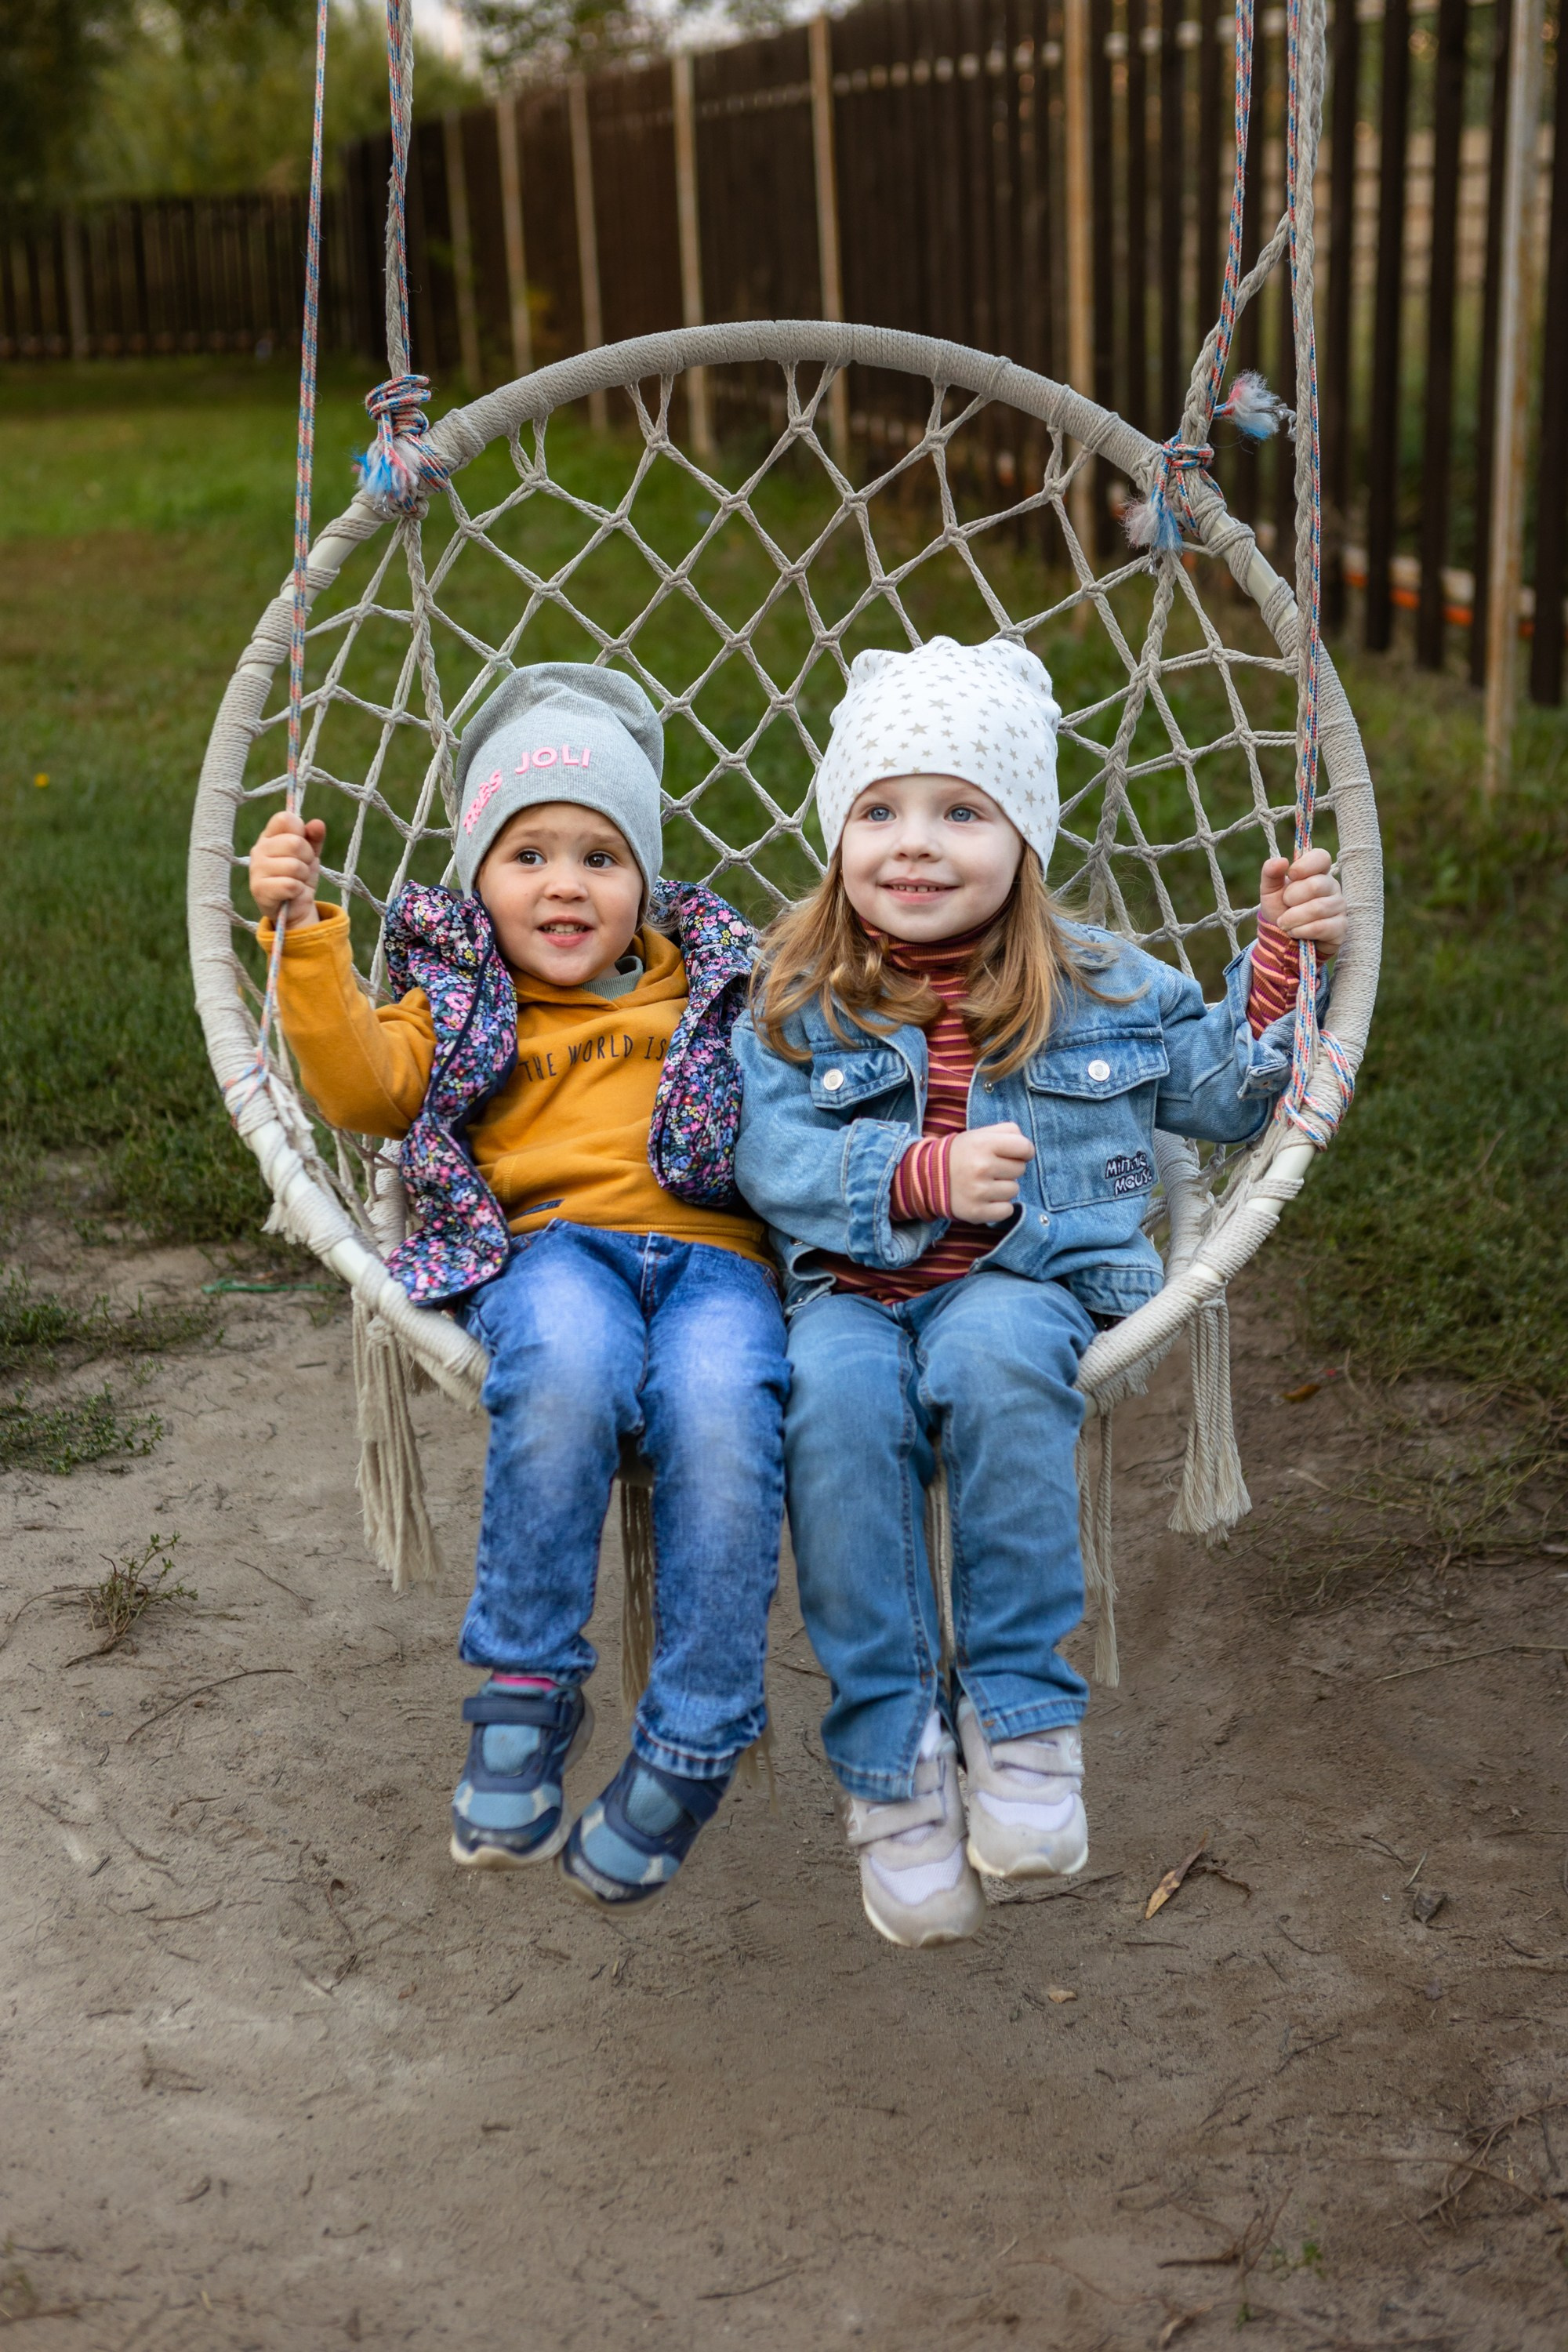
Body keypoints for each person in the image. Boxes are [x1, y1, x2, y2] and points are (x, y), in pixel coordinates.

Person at [732, 637, 1347, 1949]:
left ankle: (1020, 1726)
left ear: (1025, 837)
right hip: (850, 1290)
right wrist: (914, 1172)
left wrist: (1284, 963)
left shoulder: (1105, 982)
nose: (916, 843)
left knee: (1000, 1363)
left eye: (964, 811)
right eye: (880, 811)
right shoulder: (793, 993)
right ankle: (893, 1773)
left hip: (1030, 1281)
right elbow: (767, 1154)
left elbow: (1229, 1091)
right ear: (838, 832)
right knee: (834, 1411)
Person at [249, 663, 789, 1907]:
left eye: (601, 856)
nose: (564, 883)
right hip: (551, 1253)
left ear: (645, 882)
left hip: (718, 1260)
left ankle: (698, 1734)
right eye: (528, 853)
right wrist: (306, 932)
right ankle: (527, 1690)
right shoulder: (461, 1001)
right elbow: (363, 1088)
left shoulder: (711, 983)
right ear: (480, 877)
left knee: (723, 1412)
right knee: (569, 1369)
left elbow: (817, 1078)